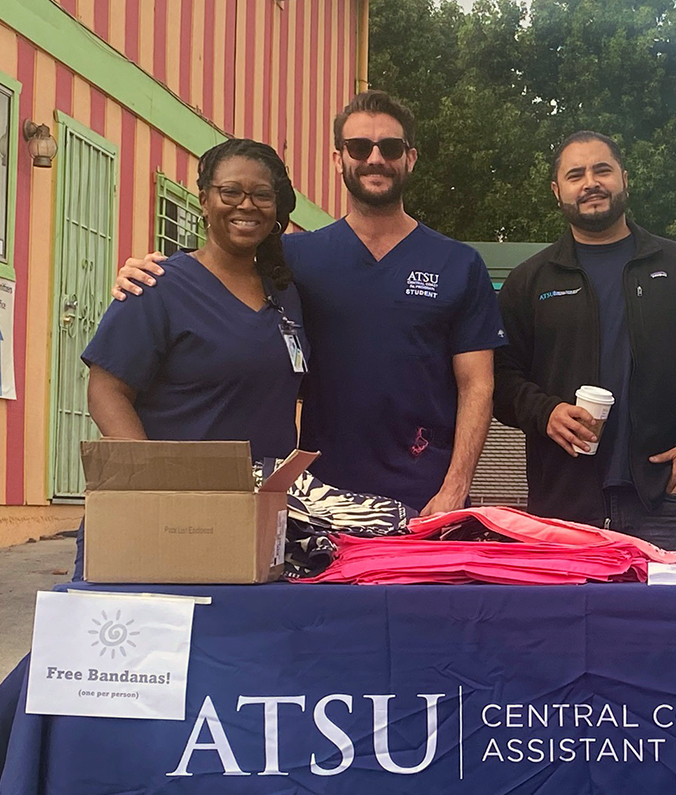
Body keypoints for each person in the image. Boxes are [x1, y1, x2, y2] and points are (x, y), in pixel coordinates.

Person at [113, 91, 505, 515]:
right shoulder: (291, 259)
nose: (375, 158)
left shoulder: (458, 263)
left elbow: (477, 384)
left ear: (410, 158)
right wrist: (151, 271)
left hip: (427, 495)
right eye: (359, 147)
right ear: (339, 159)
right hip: (317, 494)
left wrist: (454, 487)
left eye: (390, 148)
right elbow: (220, 267)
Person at [493, 131, 676, 550]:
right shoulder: (530, 281)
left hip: (664, 500)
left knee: (672, 618)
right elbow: (499, 377)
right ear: (557, 191)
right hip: (563, 507)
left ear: (624, 178)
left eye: (602, 170)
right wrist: (545, 411)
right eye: (575, 174)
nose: (591, 183)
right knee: (567, 618)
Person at [80, 137, 306, 577]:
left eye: (262, 195)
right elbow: (106, 389)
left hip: (252, 518)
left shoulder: (286, 295)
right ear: (204, 200)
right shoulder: (156, 286)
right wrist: (151, 487)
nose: (247, 205)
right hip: (168, 516)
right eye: (230, 192)